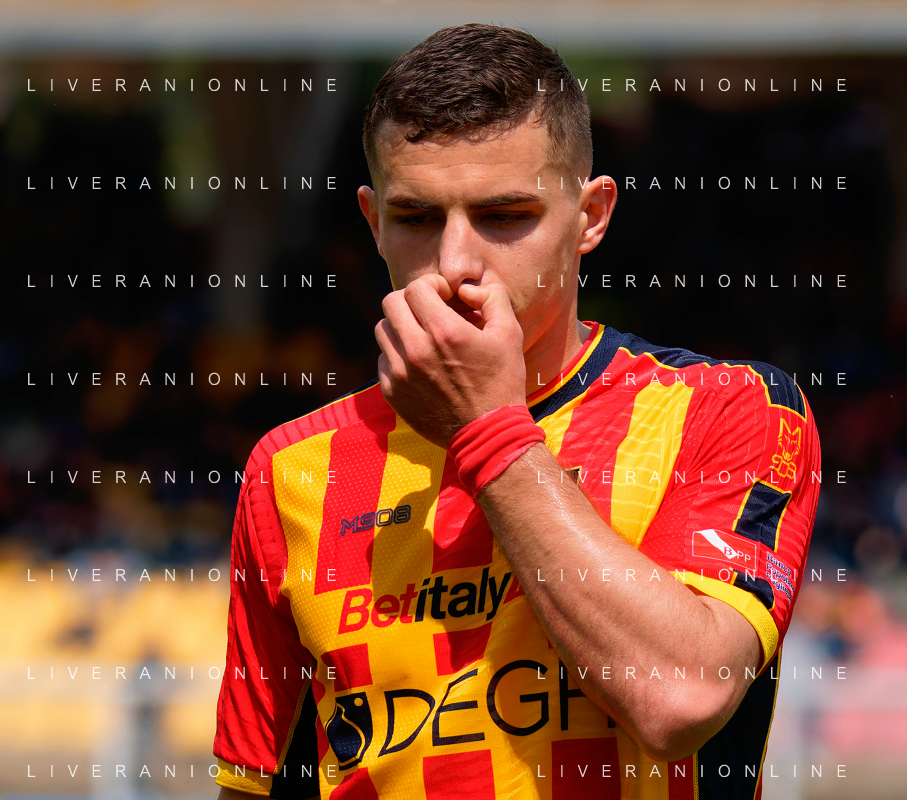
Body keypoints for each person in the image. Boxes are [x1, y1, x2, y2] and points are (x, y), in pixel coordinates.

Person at [213, 23, 820, 800]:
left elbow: (679, 699)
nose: (456, 263)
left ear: (590, 216)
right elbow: (254, 787)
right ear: (372, 223)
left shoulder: (727, 410)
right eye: (416, 218)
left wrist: (486, 431)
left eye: (503, 216)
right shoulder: (292, 466)